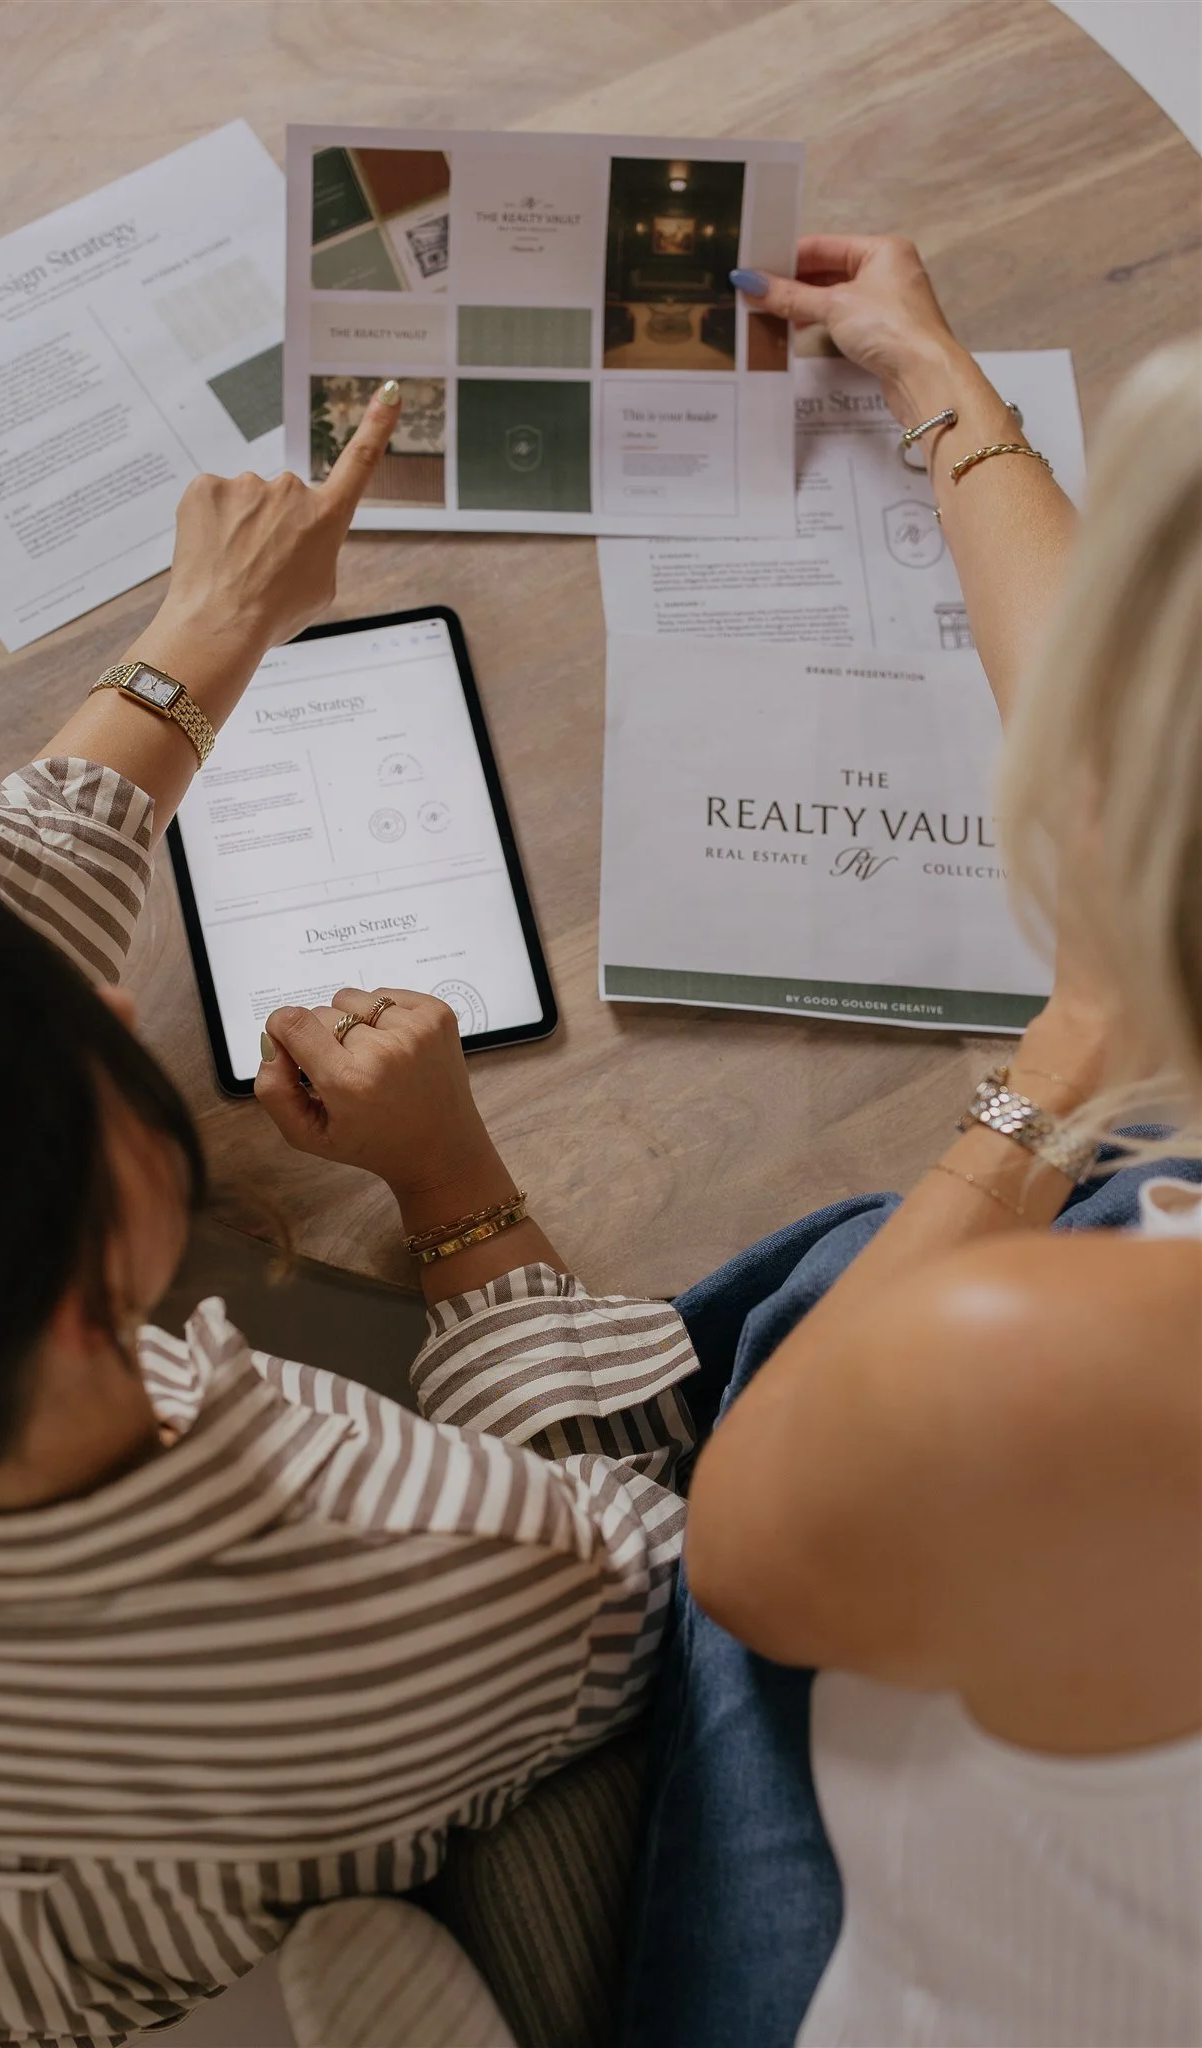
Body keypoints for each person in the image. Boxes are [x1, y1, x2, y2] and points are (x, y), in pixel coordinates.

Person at [0, 382, 701, 2047]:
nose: (92, 988)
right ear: (109, 1277)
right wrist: (457, 1189)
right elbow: (665, 1571)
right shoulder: (381, 1548)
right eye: (95, 1056)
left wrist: (207, 632)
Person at [620, 245, 1201, 2048]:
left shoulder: (1072, 1371)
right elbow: (1136, 731)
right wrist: (936, 383)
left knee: (798, 1349)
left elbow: (754, 1564)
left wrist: (1068, 1051)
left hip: (931, 1976)